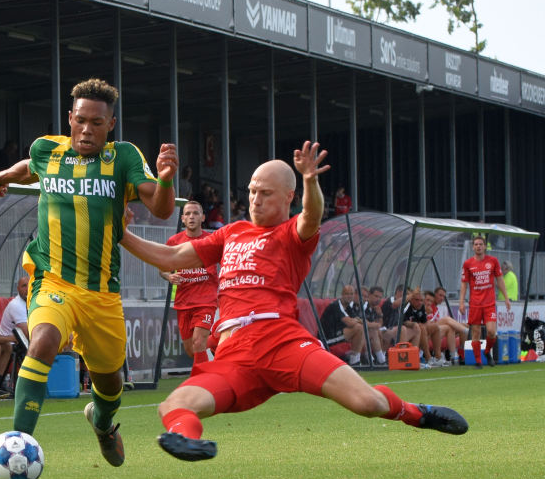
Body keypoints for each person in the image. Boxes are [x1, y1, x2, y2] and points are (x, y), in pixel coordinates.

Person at [118, 141, 467, 462]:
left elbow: (311, 217)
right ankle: (187, 441)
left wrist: (311, 182)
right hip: (235, 353)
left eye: (265, 193)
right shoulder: (231, 232)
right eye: (252, 192)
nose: (255, 199)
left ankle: (416, 413)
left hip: (282, 341)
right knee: (174, 405)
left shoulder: (291, 234)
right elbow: (171, 256)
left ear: (288, 197)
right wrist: (121, 233)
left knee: (367, 403)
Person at [0, 77, 178, 467]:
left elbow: (160, 210)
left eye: (97, 122)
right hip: (51, 279)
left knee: (109, 382)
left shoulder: (122, 158)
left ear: (111, 125)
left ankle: (103, 423)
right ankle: (17, 445)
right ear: (70, 118)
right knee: (41, 343)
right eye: (81, 120)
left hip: (102, 291)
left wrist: (165, 179)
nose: (87, 129)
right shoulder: (46, 149)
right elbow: (28, 168)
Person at [161, 200, 218, 366]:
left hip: (206, 301)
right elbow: (162, 267)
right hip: (183, 302)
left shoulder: (213, 240)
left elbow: (227, 260)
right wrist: (168, 276)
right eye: (188, 214)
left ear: (203, 217)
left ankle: (203, 382)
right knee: (190, 349)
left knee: (198, 343)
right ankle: (215, 343)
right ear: (182, 219)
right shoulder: (174, 241)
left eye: (195, 213)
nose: (191, 216)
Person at [459, 235, 511, 368]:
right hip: (475, 303)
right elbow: (464, 284)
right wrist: (461, 302)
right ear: (473, 247)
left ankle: (487, 352)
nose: (478, 246)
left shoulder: (493, 261)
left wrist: (506, 298)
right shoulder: (468, 264)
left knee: (491, 331)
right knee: (475, 332)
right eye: (476, 244)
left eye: (480, 244)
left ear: (485, 246)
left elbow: (499, 279)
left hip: (489, 303)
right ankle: (478, 361)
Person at [319, 285, 365, 366]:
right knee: (358, 328)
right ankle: (355, 361)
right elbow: (350, 323)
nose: (349, 296)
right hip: (327, 338)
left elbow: (358, 320)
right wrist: (356, 320)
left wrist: (356, 320)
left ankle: (358, 358)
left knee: (362, 329)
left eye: (351, 294)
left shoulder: (348, 307)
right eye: (347, 294)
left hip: (338, 335)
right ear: (342, 295)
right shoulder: (336, 305)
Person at [403, 288, 445, 368]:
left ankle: (438, 357)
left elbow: (425, 322)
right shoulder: (407, 306)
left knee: (434, 327)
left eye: (421, 300)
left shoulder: (421, 306)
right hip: (409, 330)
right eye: (417, 300)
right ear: (411, 300)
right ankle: (428, 358)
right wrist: (414, 324)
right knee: (421, 327)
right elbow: (403, 321)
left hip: (419, 330)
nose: (420, 303)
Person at [431, 287, 469, 364]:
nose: (442, 298)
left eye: (443, 296)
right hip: (430, 331)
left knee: (462, 325)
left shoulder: (437, 308)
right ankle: (466, 331)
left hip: (437, 330)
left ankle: (459, 355)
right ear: (434, 295)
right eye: (440, 295)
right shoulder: (428, 305)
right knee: (447, 319)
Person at [380, 284, 419, 350]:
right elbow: (395, 304)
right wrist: (412, 295)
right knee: (402, 329)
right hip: (385, 330)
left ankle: (414, 355)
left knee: (416, 330)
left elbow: (404, 320)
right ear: (398, 292)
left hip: (397, 332)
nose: (407, 297)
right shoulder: (389, 301)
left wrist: (413, 324)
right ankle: (402, 357)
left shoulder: (404, 305)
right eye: (406, 294)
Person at [361, 286, 387, 365]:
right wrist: (374, 325)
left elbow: (379, 324)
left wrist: (380, 315)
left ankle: (381, 357)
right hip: (359, 332)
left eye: (380, 297)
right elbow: (361, 322)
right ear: (369, 295)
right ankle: (379, 360)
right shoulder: (364, 306)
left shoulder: (375, 308)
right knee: (373, 331)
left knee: (384, 333)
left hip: (370, 333)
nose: (378, 299)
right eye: (376, 296)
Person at [0, 275, 30, 340]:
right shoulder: (16, 305)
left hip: (22, 342)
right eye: (24, 286)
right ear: (18, 289)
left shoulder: (31, 303)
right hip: (11, 345)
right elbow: (27, 334)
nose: (28, 288)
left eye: (31, 285)